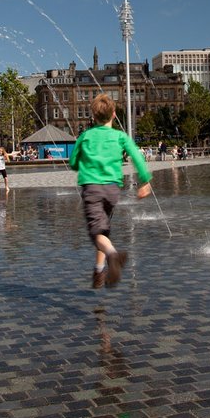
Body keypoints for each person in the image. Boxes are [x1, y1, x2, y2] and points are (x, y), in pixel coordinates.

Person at [68, 94, 152, 289]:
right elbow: (137, 157)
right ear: (114, 115)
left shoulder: (85, 136)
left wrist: (83, 162)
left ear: (93, 116)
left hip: (92, 189)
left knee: (96, 232)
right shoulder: (120, 136)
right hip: (113, 190)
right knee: (103, 229)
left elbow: (73, 162)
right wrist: (145, 181)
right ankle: (99, 270)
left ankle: (114, 256)